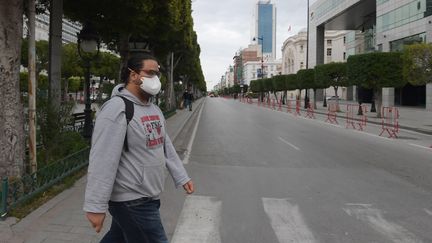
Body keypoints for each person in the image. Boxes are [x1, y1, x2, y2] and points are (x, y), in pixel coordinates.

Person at [84, 53, 194, 243]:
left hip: (148, 195)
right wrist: (95, 205)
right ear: (133, 75)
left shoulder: (154, 109)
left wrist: (181, 176)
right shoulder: (116, 109)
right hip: (131, 200)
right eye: (150, 73)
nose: (156, 79)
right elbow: (103, 159)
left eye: (157, 74)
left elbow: (164, 145)